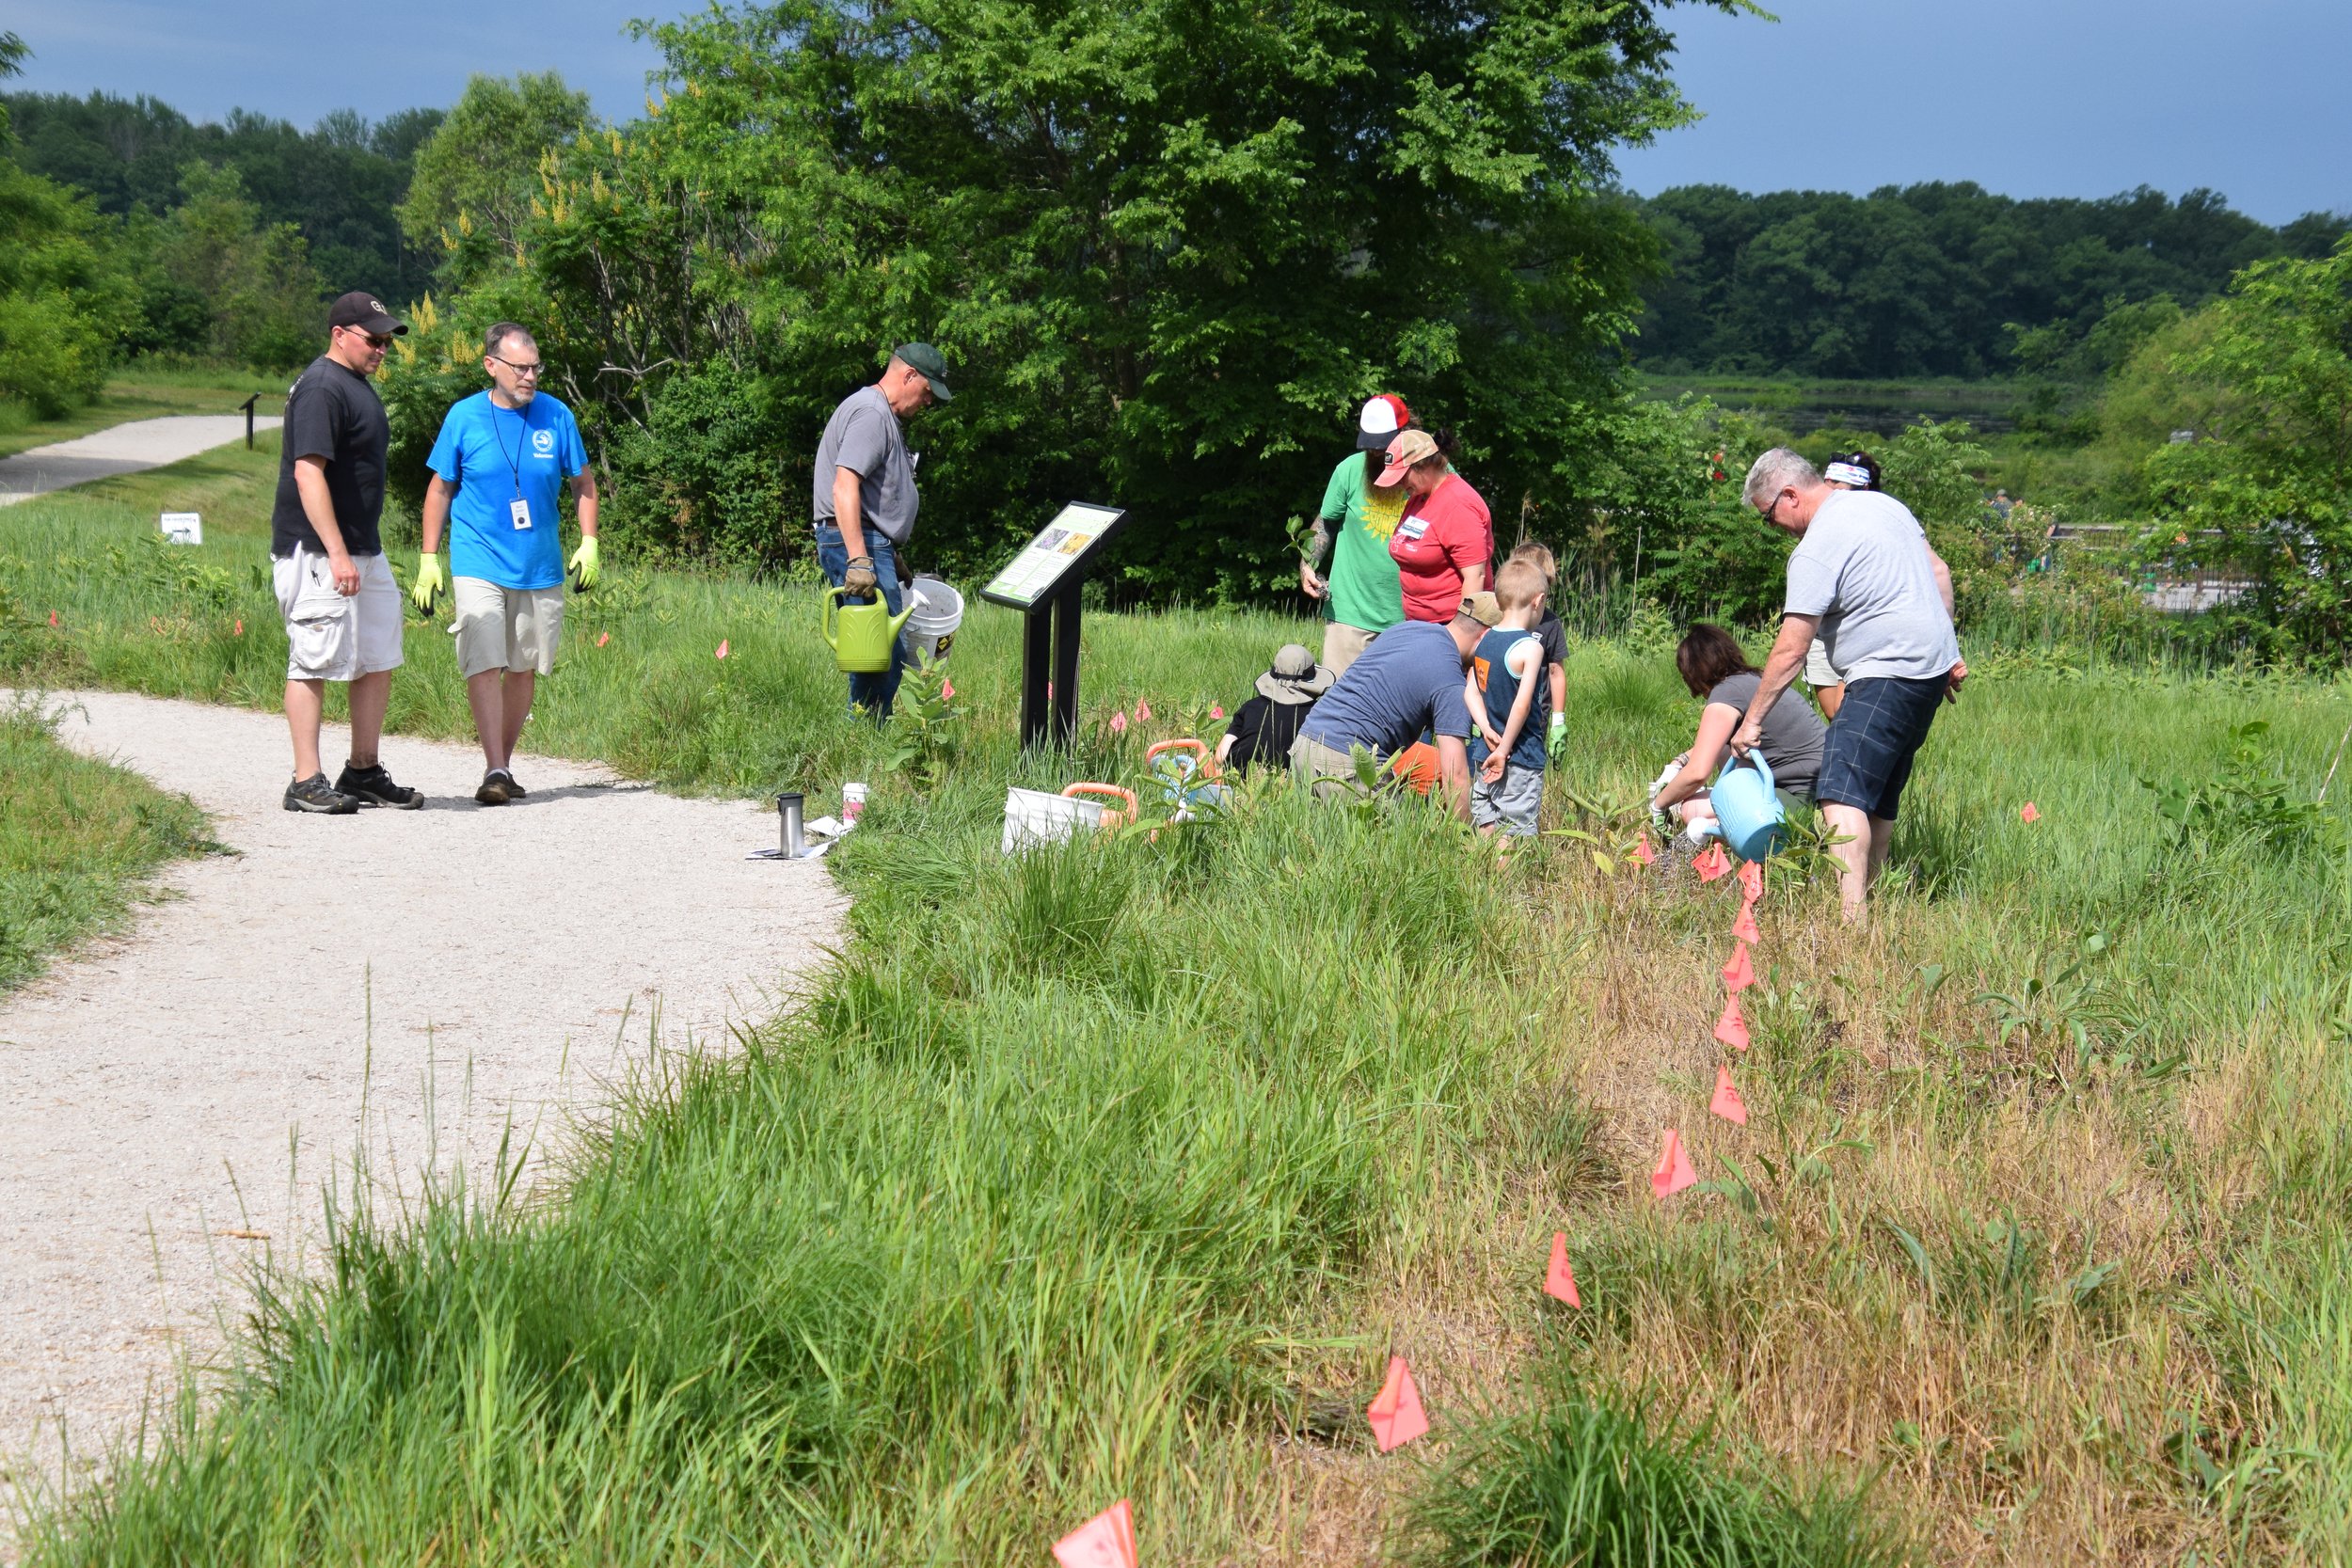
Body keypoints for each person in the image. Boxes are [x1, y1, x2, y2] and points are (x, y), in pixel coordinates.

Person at [1734, 449, 1963, 922]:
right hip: (1929, 669)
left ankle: (1851, 924)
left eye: (1769, 516)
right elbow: (1939, 572)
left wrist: (1751, 721)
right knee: (1876, 796)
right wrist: (1946, 647)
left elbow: (1791, 650)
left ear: (1790, 495)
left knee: (1840, 792)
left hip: (1887, 669)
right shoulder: (1883, 505)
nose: (1773, 528)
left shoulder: (1817, 547)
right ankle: (1873, 902)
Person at [412, 323, 599, 806]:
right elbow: (439, 489)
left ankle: (503, 766)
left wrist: (589, 541)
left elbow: (583, 484)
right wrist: (429, 558)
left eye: (536, 366)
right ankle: (494, 765)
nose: (530, 376)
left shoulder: (556, 416)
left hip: (538, 563)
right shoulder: (464, 417)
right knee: (484, 653)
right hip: (477, 556)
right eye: (520, 367)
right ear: (491, 366)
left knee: (522, 666)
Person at [270, 291, 422, 814]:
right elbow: (308, 473)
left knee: (377, 654)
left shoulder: (354, 385)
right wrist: (335, 552)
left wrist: (356, 550)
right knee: (313, 657)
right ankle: (305, 780)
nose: (382, 349)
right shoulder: (320, 387)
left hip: (363, 547)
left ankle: (362, 769)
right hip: (316, 550)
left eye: (387, 342)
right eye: (373, 339)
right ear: (340, 335)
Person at [813, 343, 951, 719]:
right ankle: (862, 746)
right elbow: (844, 487)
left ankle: (864, 739)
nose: (928, 403)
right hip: (854, 544)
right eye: (927, 392)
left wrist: (890, 553)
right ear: (908, 375)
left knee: (875, 652)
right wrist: (860, 557)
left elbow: (872, 499)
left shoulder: (878, 415)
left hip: (868, 543)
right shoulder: (872, 414)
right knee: (879, 655)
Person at [1288, 594, 1495, 820]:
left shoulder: (1408, 629)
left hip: (1304, 744)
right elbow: (1455, 776)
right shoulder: (1451, 683)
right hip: (1346, 762)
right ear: (1485, 637)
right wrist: (1466, 834)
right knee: (1412, 837)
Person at [1650, 623, 1825, 849]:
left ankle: (1757, 847)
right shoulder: (1753, 681)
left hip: (1803, 800)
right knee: (1726, 753)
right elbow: (1717, 744)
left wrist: (1659, 805)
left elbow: (1697, 773)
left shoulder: (1726, 693)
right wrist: (1679, 761)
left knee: (1692, 810)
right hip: (1826, 791)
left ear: (1692, 673)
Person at [1298, 395, 1411, 676]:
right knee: (1340, 707)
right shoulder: (1349, 470)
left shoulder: (1432, 474)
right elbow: (1326, 524)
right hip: (1349, 614)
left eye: (1383, 444)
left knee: (1400, 712)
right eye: (1370, 444)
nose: (1375, 451)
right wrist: (1307, 565)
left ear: (1404, 433)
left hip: (1410, 617)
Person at [1462, 564, 1550, 837]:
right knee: (1512, 830)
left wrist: (1487, 730)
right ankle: (1504, 880)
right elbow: (1522, 705)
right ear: (1539, 601)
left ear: (1498, 600)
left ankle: (1482, 876)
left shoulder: (1485, 639)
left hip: (1484, 750)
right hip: (1520, 755)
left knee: (1486, 819)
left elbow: (1470, 692)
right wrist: (1504, 750)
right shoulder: (1531, 647)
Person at [1382, 429, 1491, 624]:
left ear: (1423, 465)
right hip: (1418, 624)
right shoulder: (1418, 498)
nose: (1398, 483)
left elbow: (1476, 577)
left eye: (1402, 476)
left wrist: (1458, 633)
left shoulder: (1459, 504)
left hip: (1449, 626)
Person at [1215, 643, 1334, 773]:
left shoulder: (1250, 707)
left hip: (1238, 775)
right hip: (1288, 780)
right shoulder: (1317, 714)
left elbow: (1220, 756)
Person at [1505, 541, 1569, 752]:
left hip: (1535, 717)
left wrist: (1558, 721)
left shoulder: (1551, 623)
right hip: (1499, 711)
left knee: (1528, 772)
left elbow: (1556, 672)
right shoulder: (1500, 617)